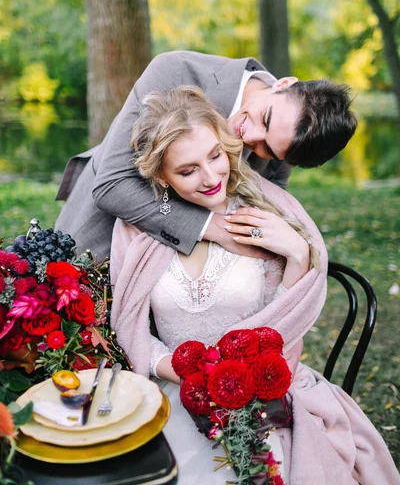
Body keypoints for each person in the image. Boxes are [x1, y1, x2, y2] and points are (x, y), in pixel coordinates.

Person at [110, 87, 398, 485]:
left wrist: (297, 255)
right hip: (169, 392)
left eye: (215, 156)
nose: (211, 178)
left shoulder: (266, 209)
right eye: (188, 170)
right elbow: (130, 323)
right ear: (161, 174)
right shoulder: (139, 227)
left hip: (257, 394)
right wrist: (179, 372)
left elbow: (285, 318)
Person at [55, 51, 357, 262]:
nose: (251, 139)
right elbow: (114, 185)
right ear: (284, 84)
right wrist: (214, 230)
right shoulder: (174, 71)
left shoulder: (286, 144)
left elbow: (263, 213)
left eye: (268, 148)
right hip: (97, 238)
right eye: (265, 119)